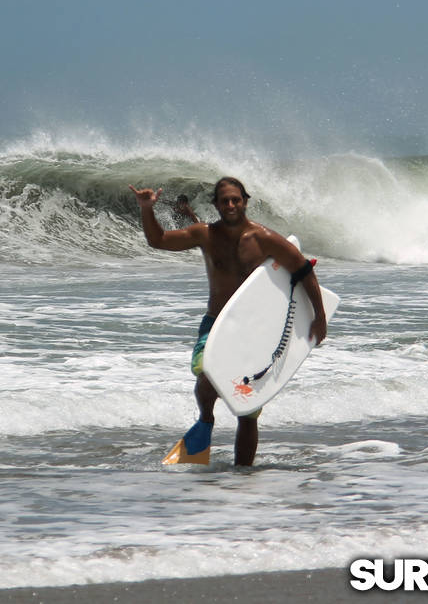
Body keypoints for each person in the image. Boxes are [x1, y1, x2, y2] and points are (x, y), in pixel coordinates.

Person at [129, 177, 327, 466]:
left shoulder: (265, 239)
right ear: (216, 204)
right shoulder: (205, 234)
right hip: (216, 323)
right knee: (206, 374)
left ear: (245, 201)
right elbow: (158, 240)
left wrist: (319, 317)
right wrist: (147, 209)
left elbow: (303, 271)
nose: (231, 205)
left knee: (248, 409)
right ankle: (206, 419)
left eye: (236, 199)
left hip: (252, 330)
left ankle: (244, 476)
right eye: (225, 200)